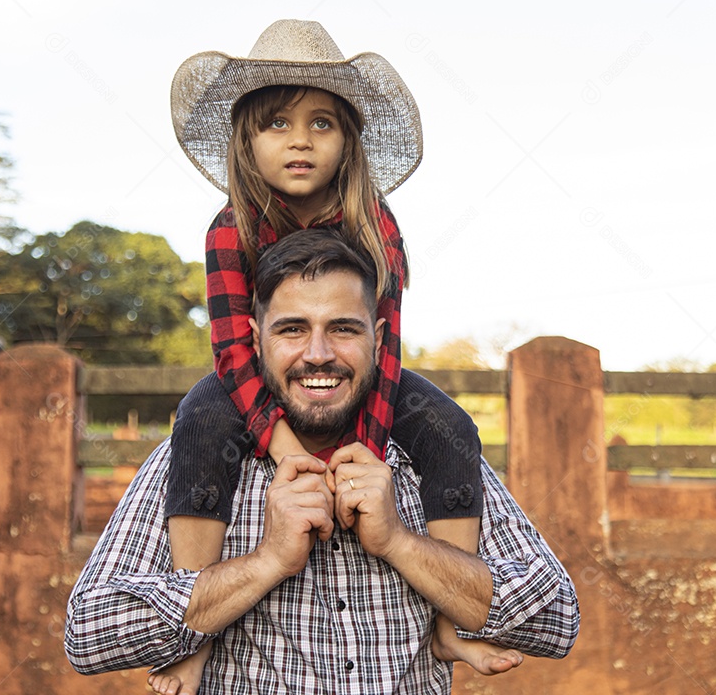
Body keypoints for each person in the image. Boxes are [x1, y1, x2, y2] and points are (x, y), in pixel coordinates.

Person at [65, 229, 580, 694]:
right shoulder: (200, 451)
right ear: (253, 339)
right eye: (291, 329)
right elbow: (88, 635)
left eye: (343, 329)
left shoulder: (430, 452)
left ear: (379, 339)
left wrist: (402, 544)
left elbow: (558, 621)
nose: (316, 354)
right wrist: (265, 562)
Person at [156, 19, 495, 693]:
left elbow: (385, 346)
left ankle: (453, 617)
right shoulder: (231, 229)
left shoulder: (376, 223)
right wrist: (286, 450)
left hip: (363, 385)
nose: (301, 140)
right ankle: (190, 626)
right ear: (247, 142)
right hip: (261, 385)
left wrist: (362, 451)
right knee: (198, 419)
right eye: (277, 123)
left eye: (322, 124)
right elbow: (232, 349)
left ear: (348, 143)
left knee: (450, 424)